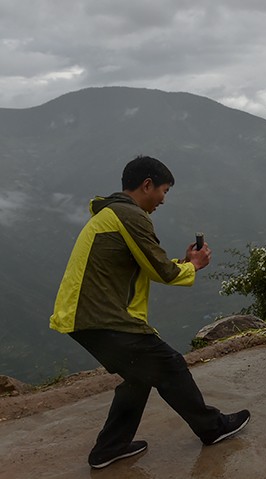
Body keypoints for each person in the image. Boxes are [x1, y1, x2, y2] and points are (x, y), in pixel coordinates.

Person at [50, 156, 250, 469]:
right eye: (163, 191)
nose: (163, 200)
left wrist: (184, 263)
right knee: (169, 365)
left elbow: (150, 263)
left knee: (139, 376)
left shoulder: (113, 214)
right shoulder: (129, 215)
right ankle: (212, 428)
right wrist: (193, 265)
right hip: (100, 316)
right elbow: (163, 271)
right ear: (147, 185)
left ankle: (109, 448)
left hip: (85, 316)